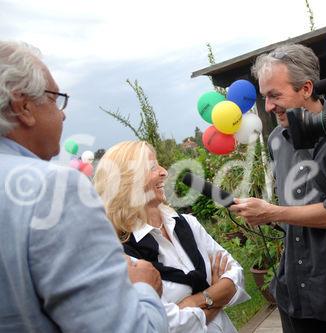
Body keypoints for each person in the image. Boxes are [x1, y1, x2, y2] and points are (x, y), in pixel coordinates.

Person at [0, 41, 168, 332]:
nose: (63, 114)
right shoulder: (54, 189)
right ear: (23, 106)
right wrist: (144, 290)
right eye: (55, 98)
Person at [229, 44, 326, 333]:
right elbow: (291, 202)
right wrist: (265, 212)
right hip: (297, 289)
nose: (268, 107)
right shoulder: (276, 138)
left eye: (276, 95)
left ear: (306, 88)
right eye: (265, 97)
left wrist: (274, 212)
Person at [93, 140, 250, 333]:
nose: (164, 171)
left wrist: (197, 300)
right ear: (127, 183)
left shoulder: (188, 224)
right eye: (152, 167)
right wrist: (218, 295)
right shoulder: (124, 255)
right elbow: (168, 325)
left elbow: (236, 274)